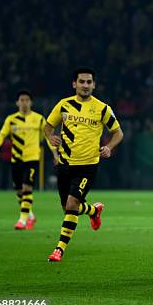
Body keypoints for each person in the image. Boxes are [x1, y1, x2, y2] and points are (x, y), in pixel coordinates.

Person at [45, 68, 124, 262]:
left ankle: (59, 249)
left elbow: (118, 133)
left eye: (89, 82)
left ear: (94, 85)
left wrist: (109, 147)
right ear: (74, 84)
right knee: (67, 207)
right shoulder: (64, 105)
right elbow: (47, 127)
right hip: (64, 164)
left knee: (72, 204)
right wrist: (51, 137)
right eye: (82, 82)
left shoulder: (102, 108)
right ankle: (93, 210)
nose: (86, 85)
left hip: (88, 166)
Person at [0, 90, 58, 230]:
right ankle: (31, 216)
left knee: (27, 187)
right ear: (17, 102)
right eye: (21, 100)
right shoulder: (11, 119)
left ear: (31, 102)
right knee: (18, 190)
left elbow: (48, 137)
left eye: (27, 100)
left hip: (32, 158)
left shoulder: (39, 119)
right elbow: (2, 134)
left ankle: (22, 220)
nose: (24, 102)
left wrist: (55, 154)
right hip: (16, 159)